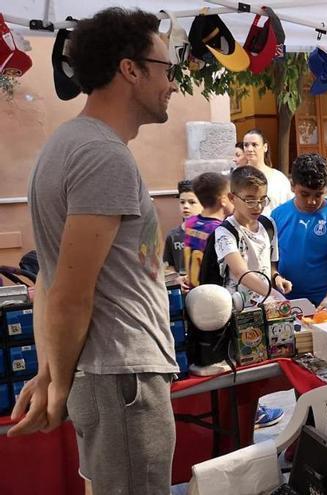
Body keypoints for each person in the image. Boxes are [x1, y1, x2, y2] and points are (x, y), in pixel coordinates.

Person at [10, 8, 179, 494]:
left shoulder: (67, 144)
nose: (172, 84)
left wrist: (51, 370)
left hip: (108, 376)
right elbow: (69, 290)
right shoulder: (102, 155)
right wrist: (56, 379)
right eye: (166, 69)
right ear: (131, 69)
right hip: (123, 376)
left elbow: (51, 278)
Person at [212, 166, 292, 428]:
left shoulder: (268, 225)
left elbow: (272, 265)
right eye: (249, 199)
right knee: (242, 370)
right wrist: (272, 292)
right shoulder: (225, 232)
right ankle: (238, 424)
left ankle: (254, 411)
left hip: (267, 310)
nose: (257, 205)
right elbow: (240, 271)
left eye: (262, 199)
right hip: (238, 313)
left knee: (263, 370)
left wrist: (279, 280)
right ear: (232, 198)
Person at [273, 153, 327, 307]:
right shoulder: (277, 215)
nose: (311, 201)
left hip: (325, 302)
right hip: (286, 301)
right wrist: (275, 276)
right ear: (293, 186)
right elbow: (271, 258)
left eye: (318, 195)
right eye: (304, 194)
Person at [184, 172, 234, 287]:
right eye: (231, 195)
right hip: (212, 292)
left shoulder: (190, 223)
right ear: (223, 200)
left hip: (193, 290)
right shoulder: (220, 230)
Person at [242, 128, 293, 215]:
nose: (249, 149)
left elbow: (288, 207)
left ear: (265, 147)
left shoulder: (279, 178)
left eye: (254, 145)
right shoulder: (238, 176)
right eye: (246, 145)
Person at [164, 179, 202, 283]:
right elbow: (168, 266)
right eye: (182, 202)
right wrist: (177, 279)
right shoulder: (173, 236)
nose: (185, 206)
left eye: (192, 202)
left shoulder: (211, 233)